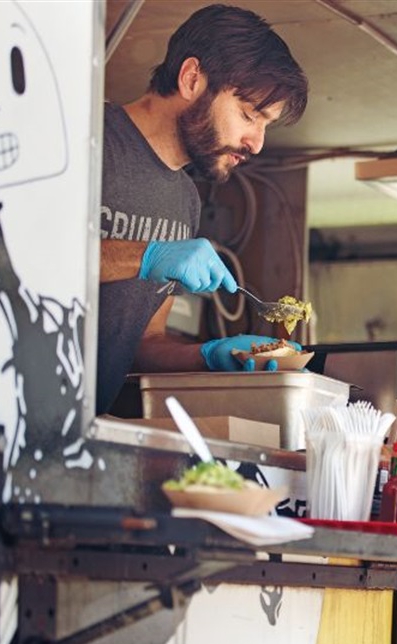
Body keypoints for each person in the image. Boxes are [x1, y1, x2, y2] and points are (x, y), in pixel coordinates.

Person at [97, 4, 308, 414]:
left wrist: (211, 356)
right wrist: (147, 256)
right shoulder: (91, 141)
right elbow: (19, 254)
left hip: (76, 433)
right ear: (192, 78)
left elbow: (144, 343)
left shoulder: (184, 201)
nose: (257, 142)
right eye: (249, 115)